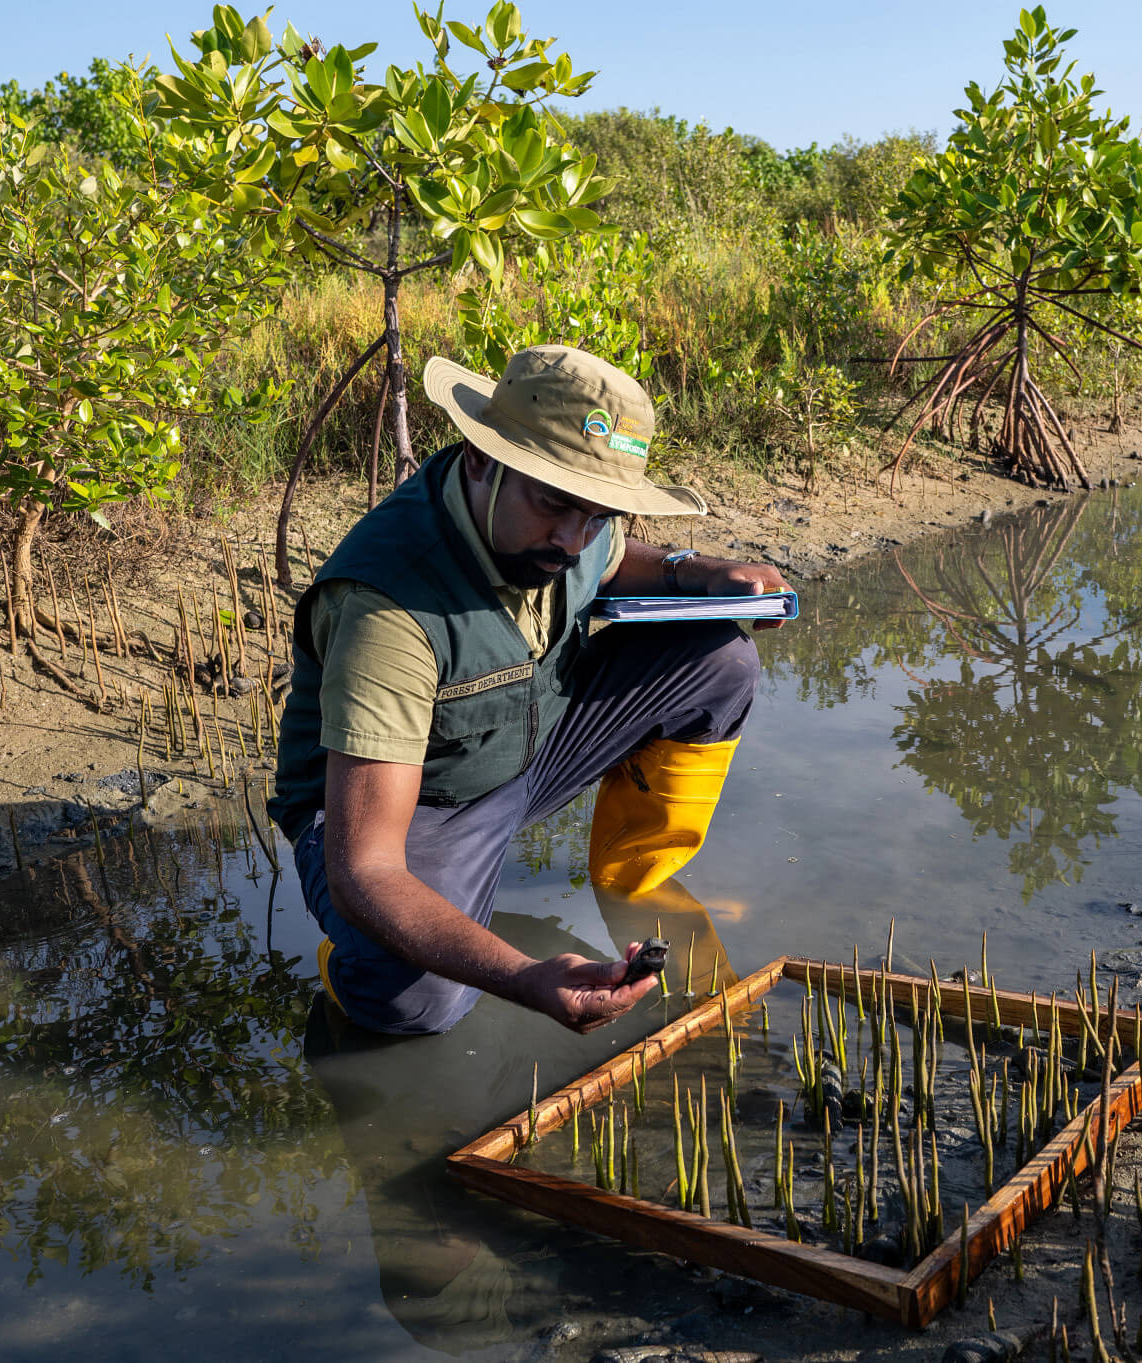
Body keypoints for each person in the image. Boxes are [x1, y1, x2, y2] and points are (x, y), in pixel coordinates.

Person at [267, 344, 789, 1036]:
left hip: (532, 744)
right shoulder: (387, 608)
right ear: (481, 459)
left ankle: (635, 879)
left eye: (598, 513)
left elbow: (607, 560)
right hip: (420, 805)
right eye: (554, 505)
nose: (573, 540)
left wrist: (696, 570)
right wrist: (523, 974)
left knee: (721, 661)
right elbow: (366, 870)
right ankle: (352, 966)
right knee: (413, 999)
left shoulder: (566, 531)